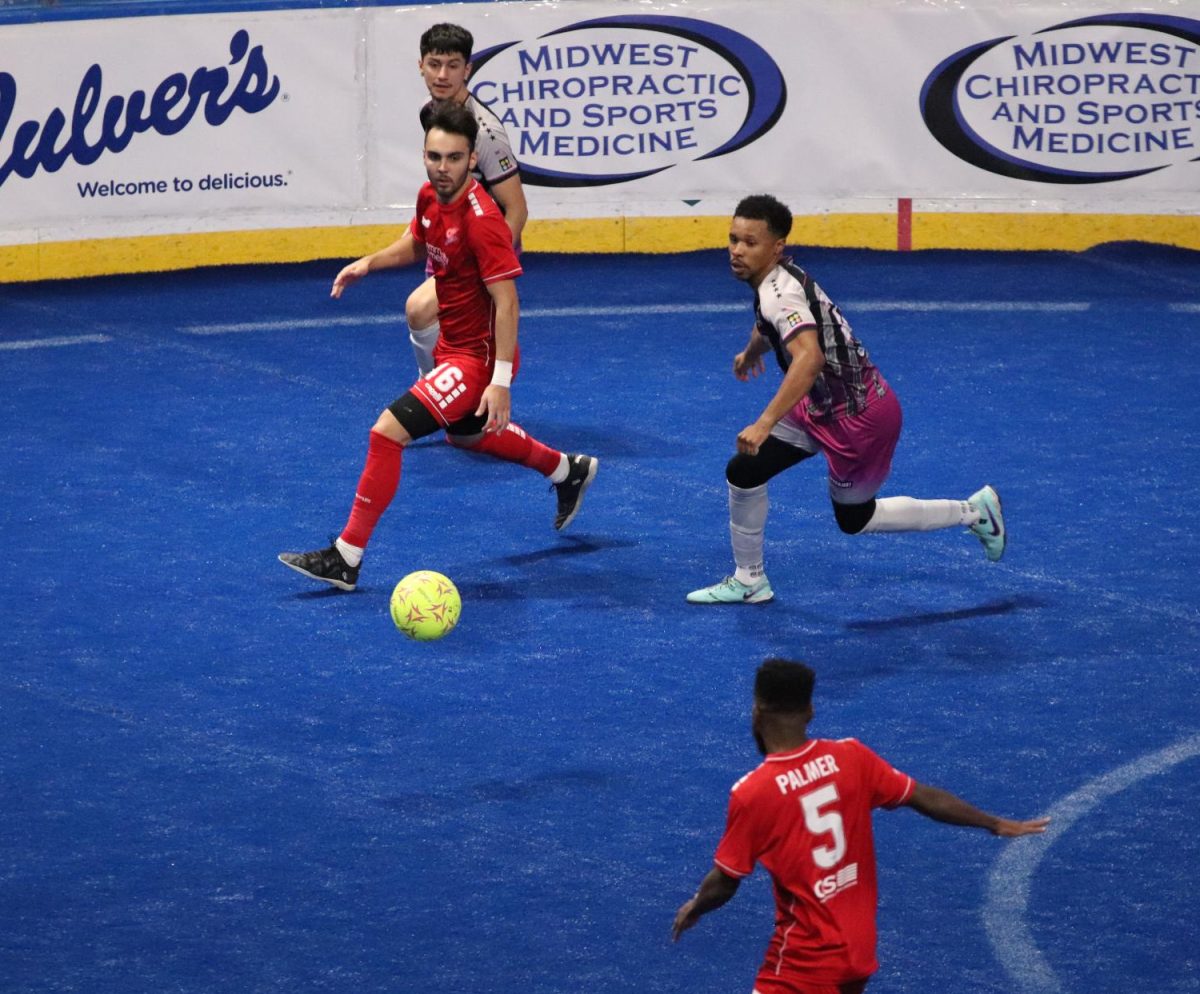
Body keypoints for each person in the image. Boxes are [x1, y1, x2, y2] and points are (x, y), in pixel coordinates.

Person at [278, 103, 596, 592]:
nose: (442, 168)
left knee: (386, 434)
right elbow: (417, 244)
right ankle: (565, 469)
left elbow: (507, 302)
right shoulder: (430, 196)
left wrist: (500, 381)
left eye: (453, 158)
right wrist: (368, 263)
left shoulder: (482, 221)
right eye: (434, 156)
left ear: (472, 159)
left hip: (476, 361)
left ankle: (347, 556)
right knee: (468, 437)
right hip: (452, 348)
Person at [686, 195, 1006, 605]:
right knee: (745, 470)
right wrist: (752, 353)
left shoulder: (778, 292)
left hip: (861, 420)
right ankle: (750, 580)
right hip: (820, 406)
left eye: (750, 242)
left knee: (855, 519)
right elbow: (770, 326)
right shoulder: (778, 281)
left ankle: (975, 512)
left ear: (777, 247)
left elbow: (809, 357)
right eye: (733, 239)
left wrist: (765, 422)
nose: (736, 250)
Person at [672, 658, 1049, 994]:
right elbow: (924, 797)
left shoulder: (754, 792)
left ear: (757, 711)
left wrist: (697, 905)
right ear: (810, 710)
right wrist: (994, 823)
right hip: (858, 952)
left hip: (801, 966)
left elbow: (726, 881)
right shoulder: (852, 757)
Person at [404, 22, 528, 377]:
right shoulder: (432, 113)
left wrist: (489, 264)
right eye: (434, 64)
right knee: (449, 330)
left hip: (481, 248)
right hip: (450, 240)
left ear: (468, 69)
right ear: (421, 66)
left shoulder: (486, 132)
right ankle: (449, 392)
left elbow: (516, 208)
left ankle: (435, 392)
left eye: (453, 65)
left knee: (421, 309)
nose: (442, 75)